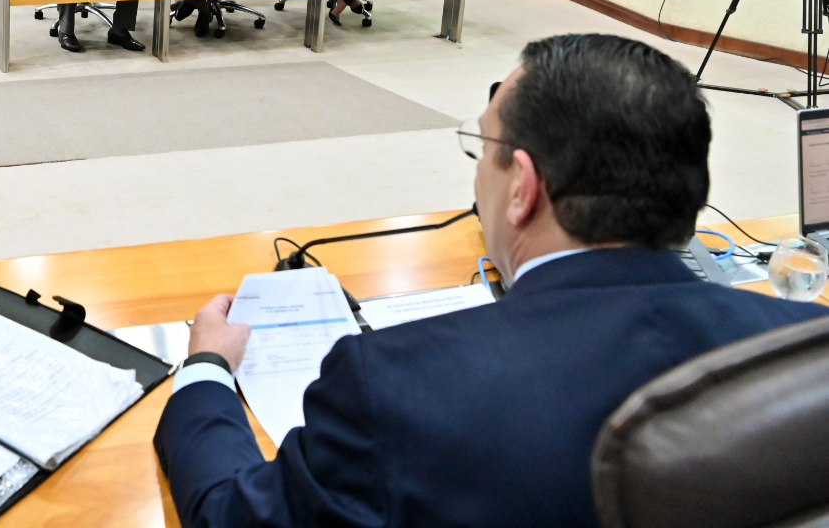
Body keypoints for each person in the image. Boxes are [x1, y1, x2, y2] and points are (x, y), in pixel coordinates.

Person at [154, 33, 823, 528]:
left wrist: (208, 369)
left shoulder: (391, 385)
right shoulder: (805, 353)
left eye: (485, 150)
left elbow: (228, 517)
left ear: (522, 189)